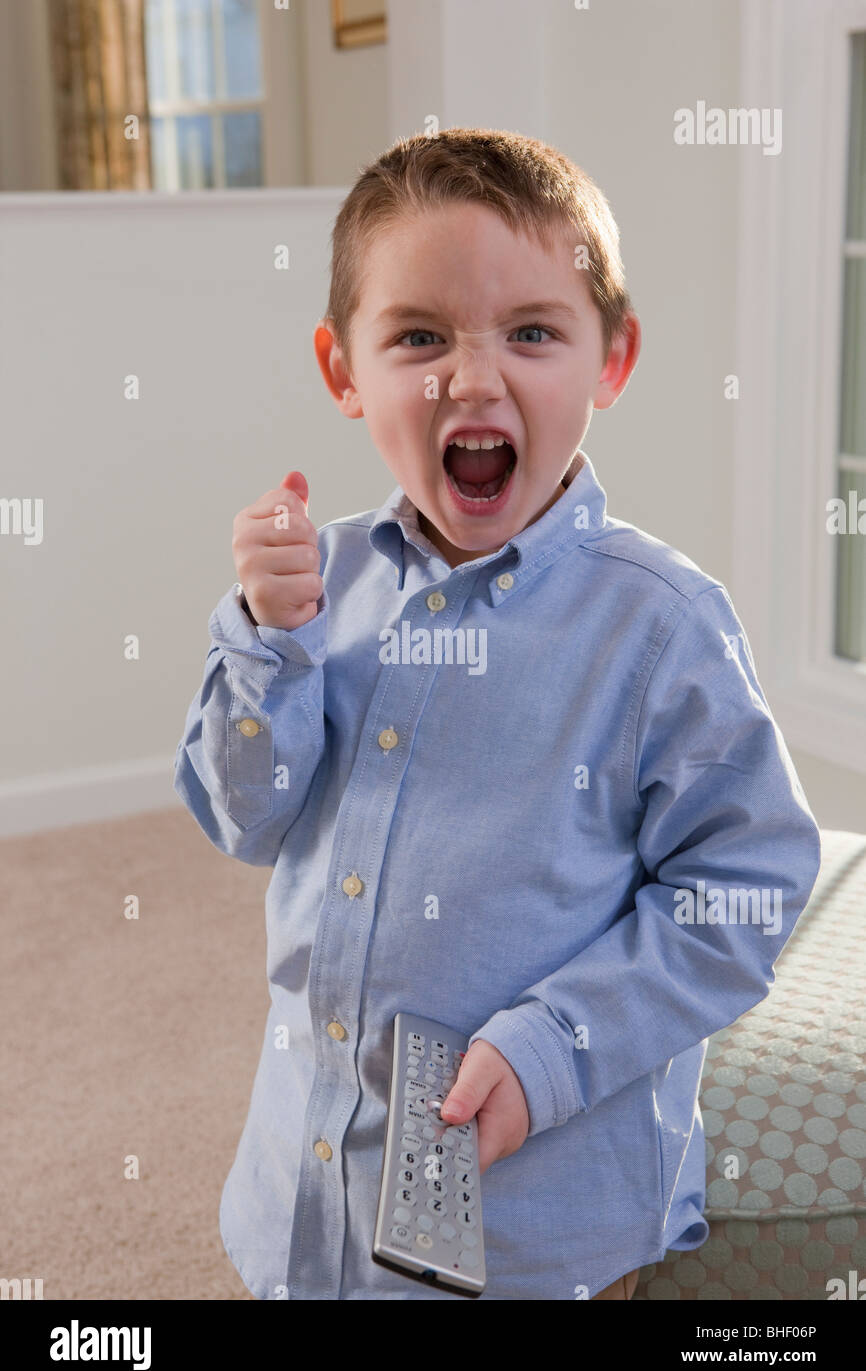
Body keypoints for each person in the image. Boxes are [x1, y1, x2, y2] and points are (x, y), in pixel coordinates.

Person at [173, 128, 822, 1301]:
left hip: (537, 1231)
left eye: (530, 332)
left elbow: (743, 889)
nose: (471, 379)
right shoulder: (319, 588)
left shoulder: (660, 626)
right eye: (418, 336)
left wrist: (549, 1048)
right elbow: (243, 816)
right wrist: (266, 646)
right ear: (342, 370)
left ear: (609, 361)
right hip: (308, 1188)